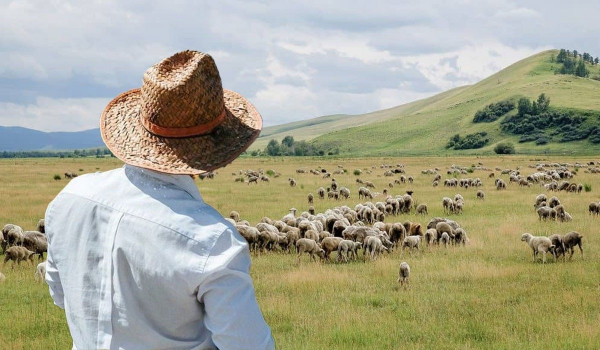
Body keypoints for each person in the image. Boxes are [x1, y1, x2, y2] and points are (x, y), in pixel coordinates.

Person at [45, 50, 275, 349]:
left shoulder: (70, 198)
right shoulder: (211, 240)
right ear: (216, 152)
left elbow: (62, 295)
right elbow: (248, 345)